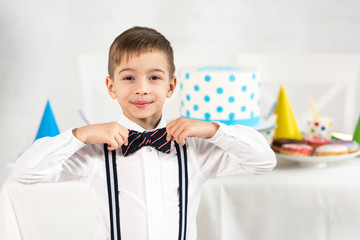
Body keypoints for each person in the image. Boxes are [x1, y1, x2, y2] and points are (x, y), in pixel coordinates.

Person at [14, 26, 276, 240]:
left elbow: (264, 161)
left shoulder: (194, 148)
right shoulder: (95, 151)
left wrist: (212, 130)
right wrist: (80, 134)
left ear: (171, 85)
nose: (142, 89)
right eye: (129, 78)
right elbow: (25, 172)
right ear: (111, 86)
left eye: (154, 77)